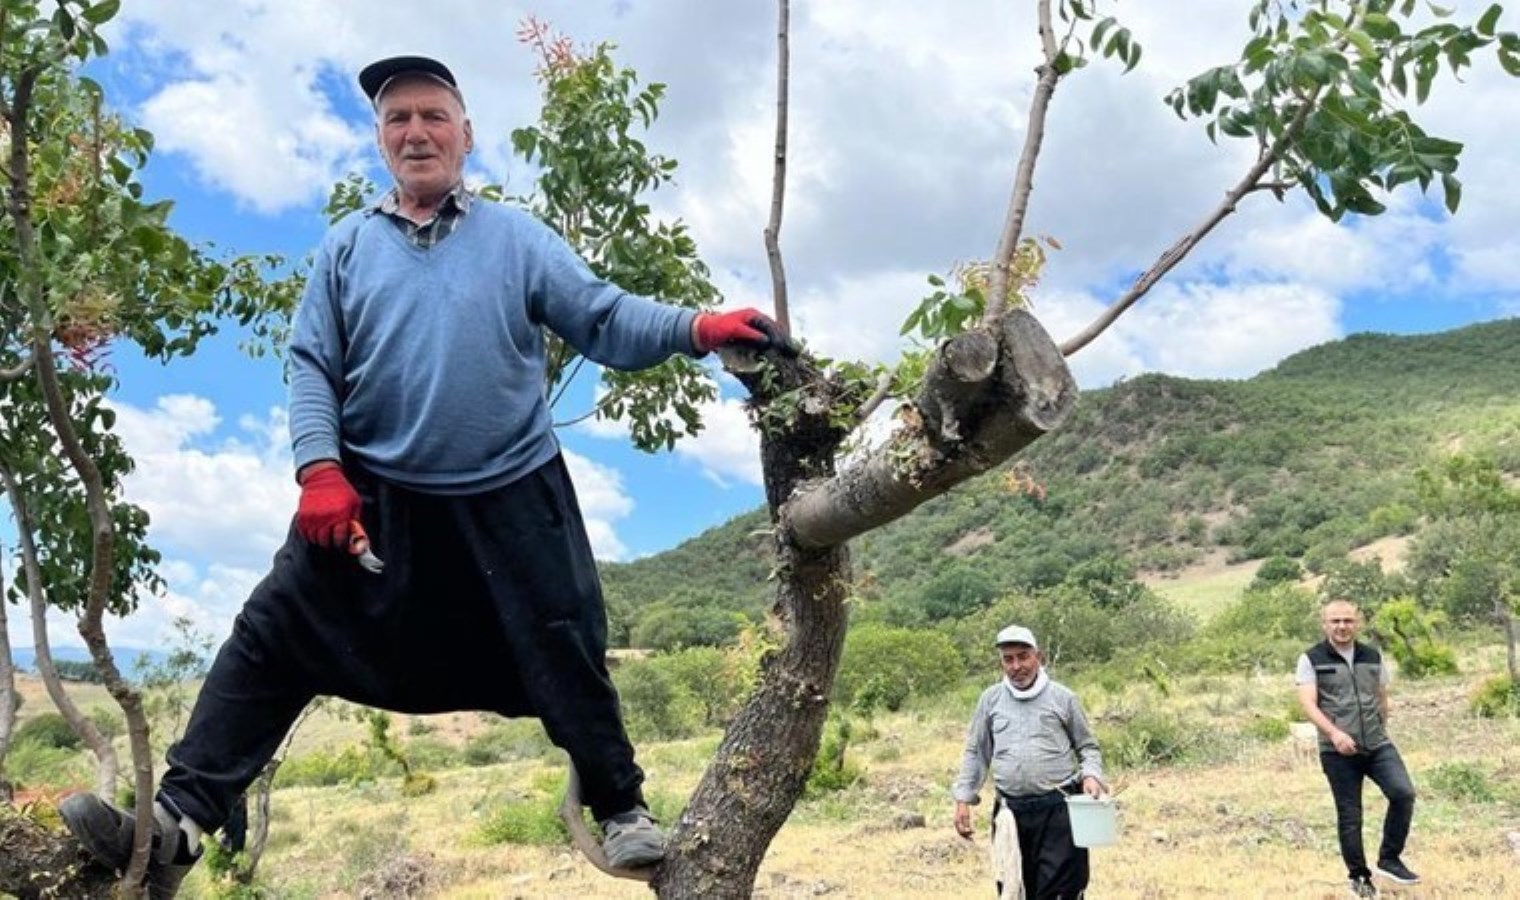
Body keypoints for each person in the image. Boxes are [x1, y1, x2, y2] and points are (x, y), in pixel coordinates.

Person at [59, 54, 792, 896]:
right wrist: (319, 471)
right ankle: (174, 831)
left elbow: (602, 315)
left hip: (512, 490)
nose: (416, 132)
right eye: (398, 119)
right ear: (379, 141)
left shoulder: (515, 238)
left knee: (565, 634)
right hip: (373, 499)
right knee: (273, 633)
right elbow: (309, 369)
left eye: (433, 116)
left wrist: (697, 325)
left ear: (466, 136)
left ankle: (621, 806)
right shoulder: (346, 250)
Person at [952, 625, 1106, 900]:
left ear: (1039, 657)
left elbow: (1087, 747)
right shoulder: (990, 700)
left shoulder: (1063, 698)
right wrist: (963, 798)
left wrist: (1091, 775)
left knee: (1062, 891)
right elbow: (976, 752)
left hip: (1059, 812)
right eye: (1008, 659)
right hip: (1011, 813)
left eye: (1023, 656)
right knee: (1014, 890)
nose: (1016, 666)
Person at [1297, 599, 1419, 898]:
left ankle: (1390, 859)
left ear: (1358, 623)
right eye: (1335, 621)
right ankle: (1359, 877)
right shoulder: (1311, 658)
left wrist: (1381, 727)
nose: (1342, 626)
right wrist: (1334, 734)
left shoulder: (1372, 655)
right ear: (1324, 624)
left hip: (1377, 744)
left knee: (1403, 793)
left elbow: (1381, 695)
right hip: (1337, 751)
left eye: (1348, 620)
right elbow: (1308, 704)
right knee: (1351, 815)